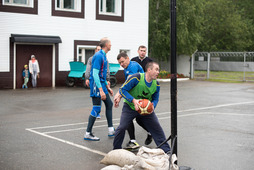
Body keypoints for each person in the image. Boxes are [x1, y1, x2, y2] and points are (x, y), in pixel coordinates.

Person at [113, 62, 171, 153]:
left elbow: (155, 99)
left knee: (157, 128)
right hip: (130, 107)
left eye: (158, 70)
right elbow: (122, 90)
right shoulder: (136, 78)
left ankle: (167, 151)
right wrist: (133, 100)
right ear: (149, 70)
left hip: (146, 109)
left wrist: (152, 106)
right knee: (122, 127)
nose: (158, 72)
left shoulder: (156, 84)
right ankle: (116, 150)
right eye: (156, 69)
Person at [114, 52, 153, 149]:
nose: (121, 64)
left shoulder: (133, 66)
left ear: (128, 58)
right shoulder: (127, 68)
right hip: (134, 97)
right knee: (135, 119)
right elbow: (127, 84)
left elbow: (128, 82)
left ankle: (138, 138)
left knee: (134, 119)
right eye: (120, 63)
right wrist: (120, 95)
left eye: (122, 62)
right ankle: (136, 139)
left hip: (140, 96)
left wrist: (119, 94)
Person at [84, 37, 115, 141]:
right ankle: (88, 133)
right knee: (97, 108)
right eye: (110, 43)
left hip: (101, 84)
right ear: (106, 45)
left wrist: (107, 86)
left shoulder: (104, 56)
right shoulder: (98, 56)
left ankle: (111, 130)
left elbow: (102, 75)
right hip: (96, 85)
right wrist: (101, 90)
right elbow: (95, 74)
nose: (111, 45)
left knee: (109, 104)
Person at [85, 45, 111, 119]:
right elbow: (89, 69)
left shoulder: (104, 58)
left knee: (104, 98)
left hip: (102, 81)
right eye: (98, 49)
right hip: (94, 81)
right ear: (95, 50)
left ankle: (98, 112)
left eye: (100, 49)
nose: (99, 50)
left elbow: (107, 70)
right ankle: (96, 112)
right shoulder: (91, 59)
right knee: (96, 97)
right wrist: (87, 78)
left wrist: (107, 79)